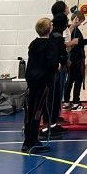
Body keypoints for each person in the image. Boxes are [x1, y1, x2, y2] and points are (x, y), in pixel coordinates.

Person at [22, 17, 60, 153]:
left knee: (31, 111)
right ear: (49, 29)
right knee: (37, 112)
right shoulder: (50, 45)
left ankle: (30, 139)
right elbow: (52, 64)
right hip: (42, 82)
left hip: (32, 80)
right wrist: (57, 66)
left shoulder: (33, 44)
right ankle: (31, 141)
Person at [62, 10, 87, 111]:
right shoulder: (73, 30)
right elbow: (77, 42)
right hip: (76, 59)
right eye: (81, 21)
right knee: (78, 80)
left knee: (70, 80)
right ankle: (76, 103)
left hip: (72, 58)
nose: (81, 23)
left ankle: (66, 101)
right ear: (77, 19)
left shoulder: (69, 29)